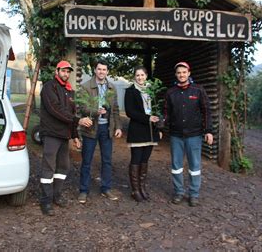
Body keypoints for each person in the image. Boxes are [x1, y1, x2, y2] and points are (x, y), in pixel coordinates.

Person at [39, 60, 93, 216]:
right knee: (48, 167)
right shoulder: (49, 87)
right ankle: (46, 201)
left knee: (63, 167)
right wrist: (78, 121)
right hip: (51, 134)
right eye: (63, 71)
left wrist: (75, 135)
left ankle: (57, 196)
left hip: (64, 135)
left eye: (68, 71)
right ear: (57, 71)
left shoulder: (69, 91)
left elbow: (71, 115)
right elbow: (56, 110)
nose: (66, 74)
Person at [164, 61, 213, 207]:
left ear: (189, 73)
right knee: (176, 165)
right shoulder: (170, 92)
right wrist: (160, 127)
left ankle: (194, 194)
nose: (181, 75)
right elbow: (166, 113)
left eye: (184, 72)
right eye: (179, 72)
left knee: (195, 165)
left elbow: (206, 111)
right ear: (176, 75)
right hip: (176, 135)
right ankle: (179, 192)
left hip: (194, 135)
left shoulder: (198, 90)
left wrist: (208, 131)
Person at [78, 59, 122, 204]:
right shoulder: (85, 87)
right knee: (87, 160)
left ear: (107, 72)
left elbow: (115, 109)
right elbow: (82, 107)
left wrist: (118, 127)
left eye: (104, 69)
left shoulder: (112, 88)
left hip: (106, 128)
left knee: (107, 160)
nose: (101, 71)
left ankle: (106, 188)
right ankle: (83, 191)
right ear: (95, 70)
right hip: (91, 128)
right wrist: (95, 111)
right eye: (99, 69)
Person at [124, 66, 161, 202]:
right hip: (137, 130)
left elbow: (156, 109)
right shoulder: (130, 91)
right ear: (134, 77)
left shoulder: (151, 90)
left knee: (145, 160)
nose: (140, 77)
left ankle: (142, 187)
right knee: (136, 159)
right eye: (137, 75)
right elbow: (130, 112)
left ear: (146, 76)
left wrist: (159, 127)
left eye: (142, 75)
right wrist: (147, 118)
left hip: (150, 131)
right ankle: (135, 190)